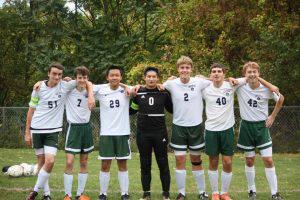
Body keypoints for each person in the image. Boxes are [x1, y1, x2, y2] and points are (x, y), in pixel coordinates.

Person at [25, 62, 95, 200]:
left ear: (63, 76)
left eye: (59, 75)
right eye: (54, 74)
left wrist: (91, 94)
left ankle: (34, 191)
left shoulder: (65, 85)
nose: (57, 77)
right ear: (48, 74)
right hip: (37, 128)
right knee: (41, 162)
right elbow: (31, 110)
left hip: (53, 130)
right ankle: (46, 195)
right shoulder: (38, 88)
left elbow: (86, 82)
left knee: (49, 161)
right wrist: (27, 132)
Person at [163, 56, 210, 200]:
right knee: (180, 160)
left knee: (196, 159)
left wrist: (206, 76)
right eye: (182, 67)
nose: (184, 70)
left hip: (195, 127)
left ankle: (202, 192)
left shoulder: (200, 82)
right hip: (179, 127)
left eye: (187, 67)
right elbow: (155, 86)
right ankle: (181, 192)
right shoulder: (171, 84)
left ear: (191, 69)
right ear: (178, 69)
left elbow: (218, 80)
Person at [236, 62, 284, 200]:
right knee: (250, 160)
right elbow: (222, 81)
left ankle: (275, 193)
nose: (252, 74)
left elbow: (281, 99)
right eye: (249, 72)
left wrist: (273, 116)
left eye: (254, 72)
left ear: (259, 73)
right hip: (246, 127)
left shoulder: (266, 89)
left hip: (261, 127)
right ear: (245, 74)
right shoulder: (240, 87)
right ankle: (252, 191)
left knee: (268, 160)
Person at [202, 63, 246, 200]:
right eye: (214, 71)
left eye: (219, 71)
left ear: (223, 74)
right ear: (210, 75)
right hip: (211, 130)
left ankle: (224, 193)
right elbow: (193, 79)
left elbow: (247, 78)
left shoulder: (231, 85)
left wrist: (232, 79)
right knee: (213, 161)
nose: (216, 73)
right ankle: (215, 193)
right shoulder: (204, 88)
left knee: (227, 161)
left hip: (227, 129)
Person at [130, 67, 172, 200]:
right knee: (145, 164)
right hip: (143, 134)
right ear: (145, 78)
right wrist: (129, 95)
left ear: (158, 78)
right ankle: (146, 193)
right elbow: (132, 111)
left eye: (154, 76)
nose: (151, 79)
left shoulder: (163, 92)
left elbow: (172, 109)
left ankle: (166, 194)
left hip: (160, 133)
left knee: (163, 163)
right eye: (149, 76)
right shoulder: (138, 92)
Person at [94, 65, 131, 200]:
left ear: (121, 77)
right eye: (112, 75)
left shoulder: (126, 89)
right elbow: (84, 85)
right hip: (106, 133)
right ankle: (103, 193)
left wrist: (124, 85)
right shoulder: (100, 90)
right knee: (105, 164)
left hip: (122, 132)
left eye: (117, 75)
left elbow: (136, 89)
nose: (114, 77)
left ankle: (124, 193)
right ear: (107, 77)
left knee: (122, 163)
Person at [63, 66, 94, 200]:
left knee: (84, 161)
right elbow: (53, 81)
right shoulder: (69, 88)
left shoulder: (92, 89)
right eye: (80, 77)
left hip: (86, 128)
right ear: (76, 78)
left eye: (85, 77)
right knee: (70, 162)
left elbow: (111, 85)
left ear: (88, 79)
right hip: (73, 128)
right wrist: (38, 83)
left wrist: (91, 88)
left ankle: (80, 194)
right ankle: (67, 195)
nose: (82, 80)